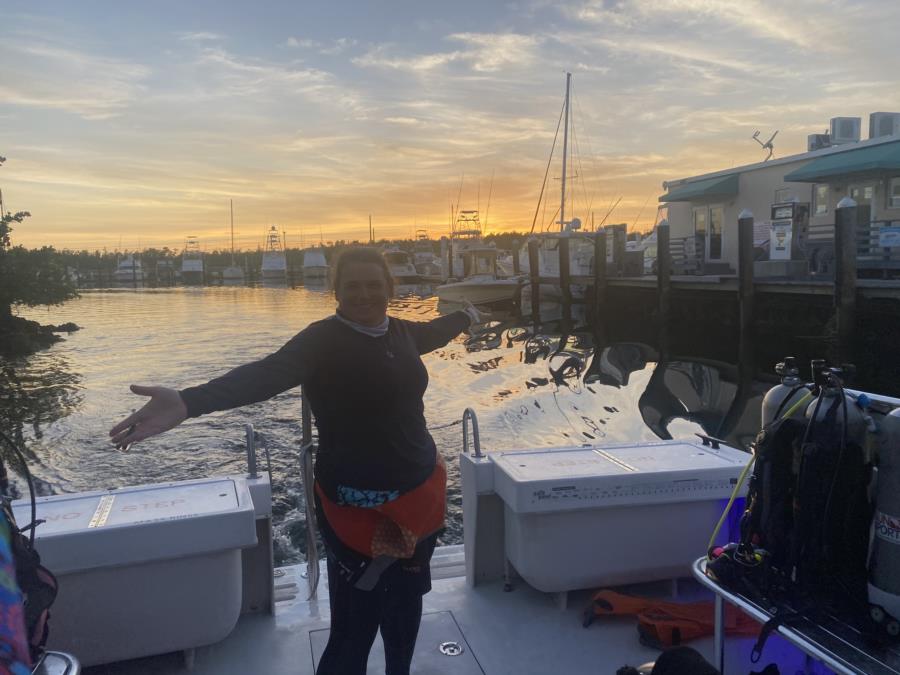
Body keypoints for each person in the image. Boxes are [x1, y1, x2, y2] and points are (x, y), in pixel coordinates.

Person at [108, 246, 479, 675]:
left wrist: (466, 317)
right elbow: (263, 375)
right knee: (353, 628)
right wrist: (189, 402)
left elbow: (433, 332)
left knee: (406, 603)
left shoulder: (400, 332)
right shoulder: (321, 342)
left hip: (419, 497)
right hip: (355, 507)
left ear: (389, 288)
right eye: (352, 286)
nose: (364, 295)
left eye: (374, 285)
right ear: (336, 290)